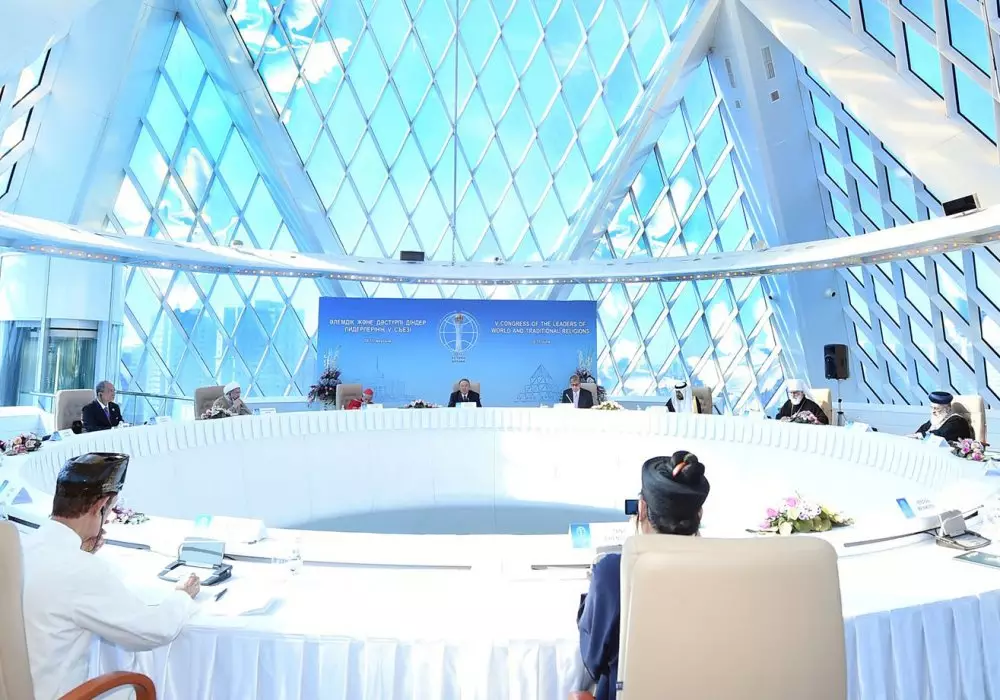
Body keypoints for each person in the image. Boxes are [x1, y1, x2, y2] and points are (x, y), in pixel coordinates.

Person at [20, 453, 200, 700]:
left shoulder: (18, 548)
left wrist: (81, 552)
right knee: (133, 688)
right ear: (100, 505)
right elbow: (153, 630)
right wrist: (182, 596)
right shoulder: (79, 569)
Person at [577, 452, 710, 700]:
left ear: (641, 508)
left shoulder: (614, 572)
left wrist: (590, 601)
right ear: (699, 514)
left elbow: (593, 658)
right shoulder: (721, 572)